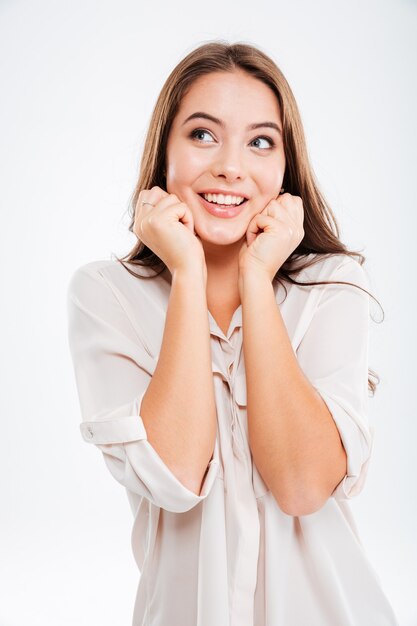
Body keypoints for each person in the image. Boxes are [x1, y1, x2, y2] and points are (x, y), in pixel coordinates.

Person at [66, 40, 399, 626]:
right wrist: (189, 271)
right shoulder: (106, 294)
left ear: (285, 166)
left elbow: (301, 486)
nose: (230, 165)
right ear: (163, 152)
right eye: (202, 134)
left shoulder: (331, 286)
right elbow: (175, 476)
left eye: (260, 141)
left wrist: (255, 277)